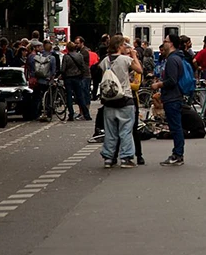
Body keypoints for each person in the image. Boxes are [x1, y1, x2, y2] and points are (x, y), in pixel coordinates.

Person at [100, 35, 143, 169]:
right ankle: (126, 158)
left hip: (109, 99)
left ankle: (108, 157)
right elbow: (139, 70)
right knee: (125, 130)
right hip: (125, 98)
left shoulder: (105, 61)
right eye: (124, 45)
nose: (126, 47)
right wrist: (134, 56)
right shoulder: (125, 59)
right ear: (119, 46)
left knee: (110, 131)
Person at [152, 33, 186, 166]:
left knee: (175, 127)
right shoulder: (178, 58)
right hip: (175, 96)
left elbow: (172, 80)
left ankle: (178, 154)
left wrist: (159, 84)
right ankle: (178, 153)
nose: (163, 43)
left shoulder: (172, 60)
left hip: (172, 97)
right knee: (176, 126)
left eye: (165, 41)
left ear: (171, 43)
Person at [61, 41, 92, 122]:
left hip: (68, 78)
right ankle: (86, 114)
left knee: (69, 96)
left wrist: (62, 75)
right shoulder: (80, 56)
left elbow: (63, 69)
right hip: (78, 78)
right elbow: (82, 66)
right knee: (80, 96)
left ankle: (71, 114)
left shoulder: (66, 57)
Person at [27, 40, 56, 121]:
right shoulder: (52, 58)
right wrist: (52, 79)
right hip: (47, 80)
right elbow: (53, 71)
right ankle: (48, 112)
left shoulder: (38, 57)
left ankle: (37, 113)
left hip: (39, 80)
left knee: (37, 97)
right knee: (49, 97)